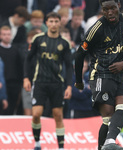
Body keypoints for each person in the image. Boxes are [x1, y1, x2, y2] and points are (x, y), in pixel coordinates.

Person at [74, 0, 123, 149]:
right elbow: (79, 55)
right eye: (105, 9)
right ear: (102, 10)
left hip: (119, 75)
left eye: (113, 8)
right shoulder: (96, 29)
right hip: (100, 74)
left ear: (119, 5)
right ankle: (109, 143)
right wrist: (79, 80)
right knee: (108, 115)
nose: (109, 12)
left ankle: (107, 144)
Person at [23, 12, 72, 150]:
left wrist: (69, 86)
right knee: (36, 114)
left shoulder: (65, 43)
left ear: (60, 23)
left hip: (57, 83)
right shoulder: (38, 39)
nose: (54, 24)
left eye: (56, 21)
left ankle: (61, 147)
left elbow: (69, 66)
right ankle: (37, 143)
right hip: (39, 82)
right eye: (51, 21)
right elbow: (28, 59)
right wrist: (26, 77)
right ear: (47, 23)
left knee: (58, 115)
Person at [0, 26, 23, 115]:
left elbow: (19, 66)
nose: (6, 36)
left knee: (12, 107)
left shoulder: (15, 50)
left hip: (14, 83)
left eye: (8, 34)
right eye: (4, 34)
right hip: (2, 84)